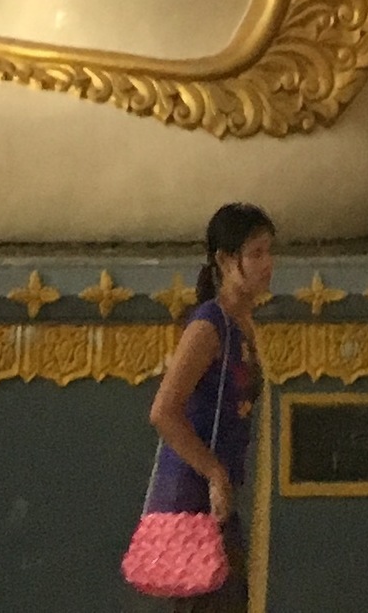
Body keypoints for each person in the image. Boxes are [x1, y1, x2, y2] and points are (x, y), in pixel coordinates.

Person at [134, 203, 271, 603]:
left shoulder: (241, 324)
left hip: (221, 500)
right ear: (226, 261)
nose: (268, 264)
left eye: (269, 252)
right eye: (256, 254)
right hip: (195, 503)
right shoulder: (208, 326)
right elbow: (163, 412)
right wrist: (213, 472)